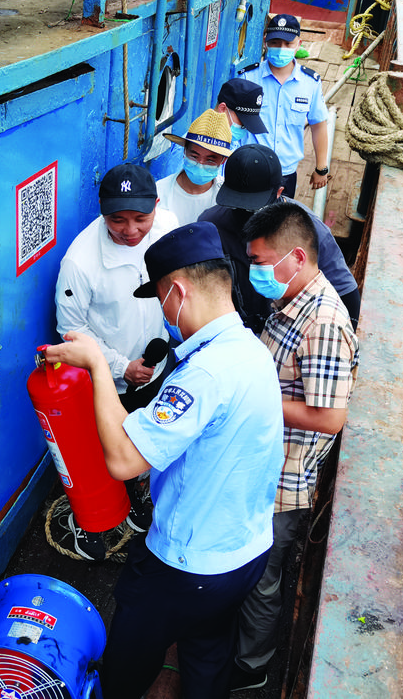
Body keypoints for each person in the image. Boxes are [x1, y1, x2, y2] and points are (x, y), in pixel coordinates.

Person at [44, 222, 284, 699]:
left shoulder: (204, 373)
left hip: (186, 566)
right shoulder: (249, 348)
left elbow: (124, 462)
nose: (163, 313)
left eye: (158, 299)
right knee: (206, 648)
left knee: (129, 660)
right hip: (245, 551)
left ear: (176, 291)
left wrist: (95, 363)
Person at [229, 202, 359, 692]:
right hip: (261, 461)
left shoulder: (321, 322)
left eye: (261, 263)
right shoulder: (287, 302)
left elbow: (330, 418)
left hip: (283, 480)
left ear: (297, 257)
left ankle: (251, 668)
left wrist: (254, 394)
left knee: (264, 579)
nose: (255, 273)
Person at [54, 163, 178, 554]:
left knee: (149, 440)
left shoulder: (169, 228)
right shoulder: (79, 261)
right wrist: (122, 367)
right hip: (111, 381)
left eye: (141, 218)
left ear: (157, 207)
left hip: (159, 364)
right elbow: (70, 331)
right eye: (117, 219)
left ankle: (141, 498)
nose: (130, 230)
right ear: (102, 211)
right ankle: (102, 515)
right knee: (109, 450)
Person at [199, 144, 361, 331]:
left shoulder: (308, 230)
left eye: (253, 207)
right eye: (236, 204)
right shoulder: (211, 225)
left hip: (289, 332)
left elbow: (345, 291)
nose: (244, 213)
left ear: (278, 193)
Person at [242, 13, 330, 199]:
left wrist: (321, 168)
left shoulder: (310, 82)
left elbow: (319, 125)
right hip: (248, 168)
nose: (281, 48)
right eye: (275, 43)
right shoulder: (247, 78)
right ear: (266, 42)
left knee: (279, 223)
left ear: (298, 44)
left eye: (288, 44)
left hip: (286, 173)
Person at [157, 109, 233, 225]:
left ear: (223, 160)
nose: (201, 163)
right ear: (184, 152)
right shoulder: (159, 191)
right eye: (194, 156)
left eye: (210, 160)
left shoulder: (229, 199)